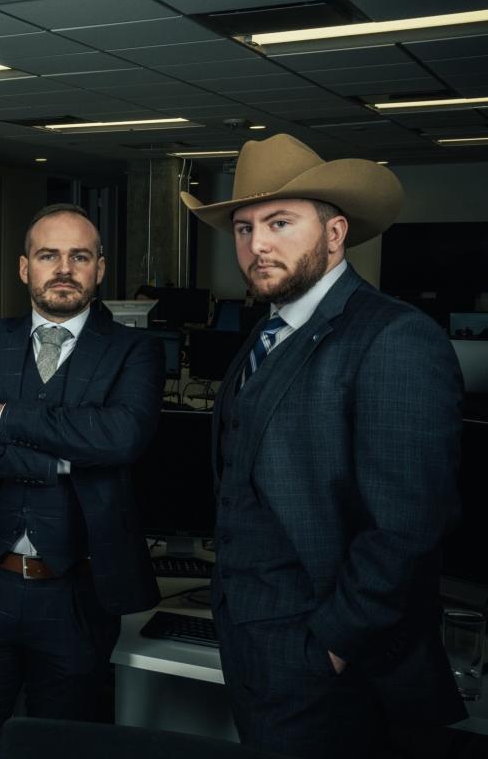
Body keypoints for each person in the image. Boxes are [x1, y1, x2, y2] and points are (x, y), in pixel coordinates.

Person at [181, 133, 466, 758]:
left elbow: (408, 526)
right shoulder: (270, 330)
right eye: (244, 228)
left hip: (326, 659)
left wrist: (331, 647)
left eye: (280, 223)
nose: (257, 245)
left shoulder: (393, 337)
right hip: (253, 641)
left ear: (335, 234)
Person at [0, 203, 164, 758]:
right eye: (48, 255)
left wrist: (7, 417)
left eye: (79, 256)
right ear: (23, 268)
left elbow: (121, 437)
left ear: (99, 269)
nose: (64, 268)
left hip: (78, 594)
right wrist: (61, 460)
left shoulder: (136, 349)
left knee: (61, 751)